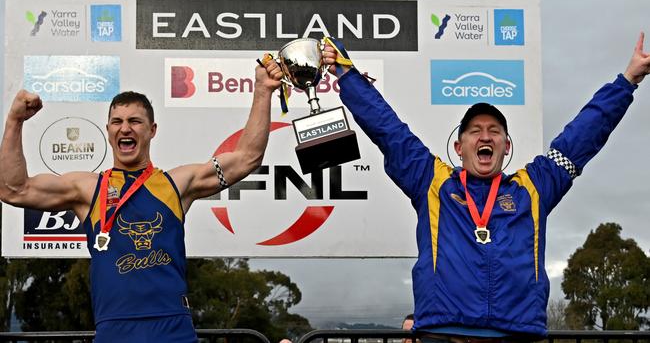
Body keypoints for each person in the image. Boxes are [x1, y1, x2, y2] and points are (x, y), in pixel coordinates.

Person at [323, 33, 650, 341]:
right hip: (443, 332)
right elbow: (389, 129)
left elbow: (583, 134)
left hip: (517, 334)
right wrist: (347, 76)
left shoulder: (534, 187)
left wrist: (627, 81)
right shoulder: (432, 181)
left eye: (494, 131)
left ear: (506, 146)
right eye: (475, 130)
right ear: (459, 146)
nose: (485, 136)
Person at [0, 57, 283, 342]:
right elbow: (13, 189)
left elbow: (247, 158)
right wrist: (14, 121)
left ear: (152, 130)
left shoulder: (176, 184)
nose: (126, 128)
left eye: (135, 121)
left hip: (173, 328)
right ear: (109, 131)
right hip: (115, 329)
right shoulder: (88, 189)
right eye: (117, 122)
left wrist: (262, 90)